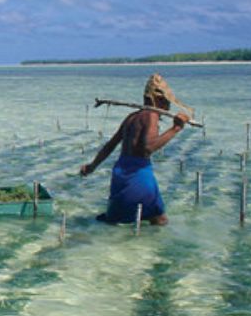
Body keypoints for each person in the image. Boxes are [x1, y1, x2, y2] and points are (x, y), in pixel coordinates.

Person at [80, 74, 191, 225]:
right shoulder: (151, 116)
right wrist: (176, 128)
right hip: (138, 174)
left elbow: (109, 146)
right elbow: (148, 147)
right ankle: (150, 248)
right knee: (159, 220)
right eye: (166, 102)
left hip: (120, 174)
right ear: (157, 100)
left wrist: (92, 167)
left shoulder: (131, 117)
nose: (168, 107)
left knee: (115, 221)